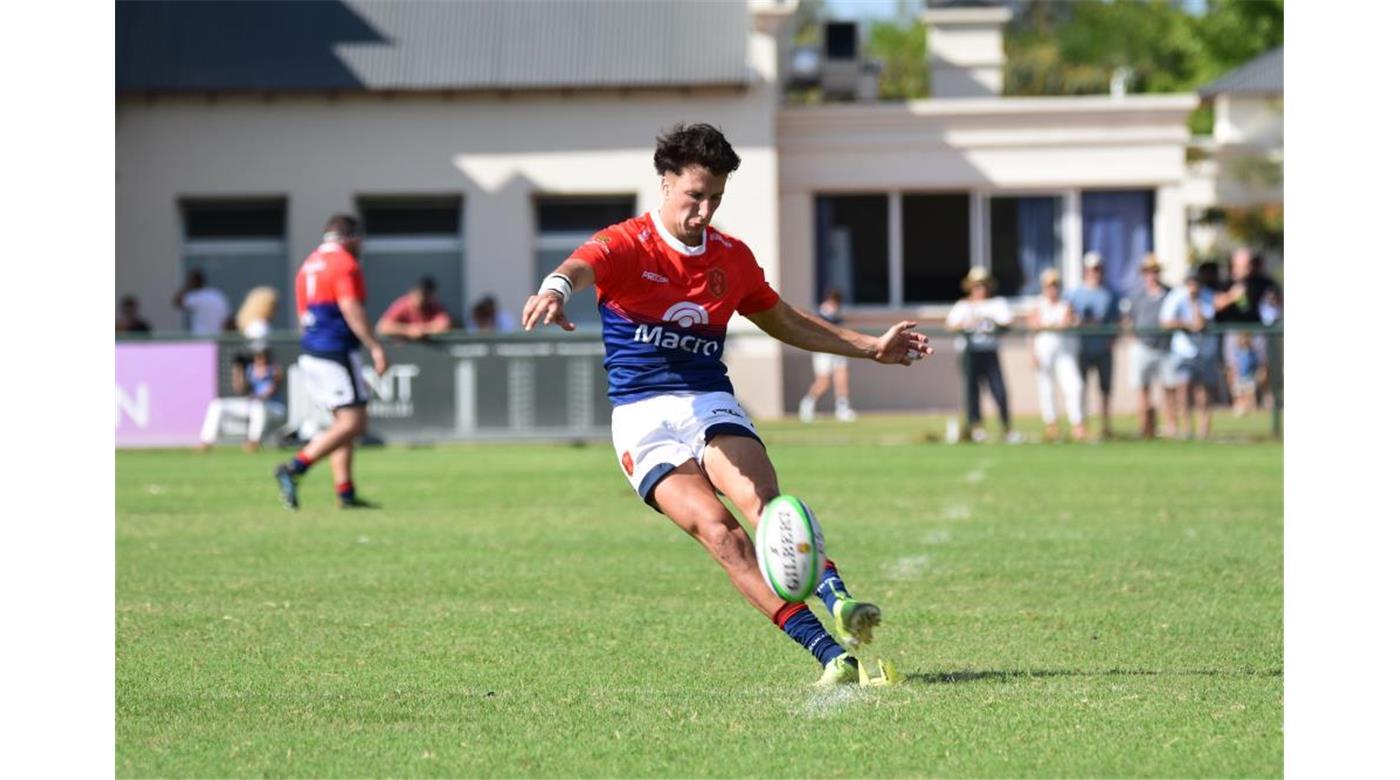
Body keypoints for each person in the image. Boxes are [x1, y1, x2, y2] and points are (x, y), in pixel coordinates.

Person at [520, 123, 931, 686]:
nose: (704, 210)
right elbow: (578, 266)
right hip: (641, 419)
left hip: (708, 399)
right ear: (665, 183)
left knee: (762, 504)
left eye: (715, 198)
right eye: (695, 195)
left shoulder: (731, 258)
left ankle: (840, 601)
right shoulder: (625, 243)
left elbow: (782, 319)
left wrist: (870, 349)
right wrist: (554, 290)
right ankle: (831, 656)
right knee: (720, 534)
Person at [274, 215, 389, 510]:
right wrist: (375, 346)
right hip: (336, 351)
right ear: (350, 237)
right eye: (359, 240)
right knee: (354, 422)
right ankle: (295, 467)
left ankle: (346, 492)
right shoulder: (345, 264)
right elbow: (350, 306)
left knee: (343, 423)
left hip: (313, 351)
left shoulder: (308, 265)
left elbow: (302, 317)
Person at [946, 267, 1021, 444]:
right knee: (972, 392)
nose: (980, 289)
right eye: (977, 285)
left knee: (999, 390)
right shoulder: (963, 306)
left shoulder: (997, 304)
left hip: (989, 351)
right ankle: (976, 427)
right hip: (970, 352)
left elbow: (1008, 322)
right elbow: (950, 325)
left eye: (983, 285)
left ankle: (1006, 428)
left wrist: (993, 323)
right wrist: (967, 324)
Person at [1213, 248, 1281, 412]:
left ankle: (1262, 398)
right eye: (1243, 264)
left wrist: (1274, 301)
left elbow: (1278, 301)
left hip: (1257, 329)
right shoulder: (1226, 282)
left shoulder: (1263, 282)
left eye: (1248, 263)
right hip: (1234, 330)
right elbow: (1216, 304)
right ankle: (1239, 401)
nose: (1247, 267)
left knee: (1263, 365)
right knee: (1233, 367)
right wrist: (1232, 296)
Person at [1121, 254, 1180, 438]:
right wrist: (1132, 337)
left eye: (1154, 271)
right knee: (1143, 390)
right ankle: (1145, 427)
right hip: (1144, 347)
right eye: (1148, 271)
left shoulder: (1171, 294)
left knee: (1169, 389)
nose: (1151, 275)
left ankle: (1171, 426)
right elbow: (1127, 320)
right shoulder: (1137, 296)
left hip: (1165, 348)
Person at [1160, 267, 1219, 439]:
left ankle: (1204, 429)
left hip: (1205, 350)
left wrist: (1195, 304)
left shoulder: (1207, 296)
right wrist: (1185, 324)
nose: (1193, 286)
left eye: (1196, 282)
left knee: (1204, 392)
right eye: (1190, 282)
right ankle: (1186, 428)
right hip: (1184, 351)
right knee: (1183, 388)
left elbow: (1202, 322)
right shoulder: (1176, 296)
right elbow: (1166, 321)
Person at [1028, 269, 1085, 441]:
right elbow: (1033, 326)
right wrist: (1032, 354)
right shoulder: (1038, 304)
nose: (1053, 289)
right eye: (1049, 286)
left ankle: (1077, 424)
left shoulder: (1066, 304)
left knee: (1074, 385)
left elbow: (1067, 322)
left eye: (1055, 285)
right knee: (1046, 387)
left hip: (1064, 351)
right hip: (1044, 350)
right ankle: (1051, 424)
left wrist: (1054, 324)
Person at [1066, 253, 1117, 438]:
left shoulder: (1110, 294)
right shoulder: (1074, 294)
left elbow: (1115, 320)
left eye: (1098, 269)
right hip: (1082, 349)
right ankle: (1082, 425)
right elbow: (1067, 315)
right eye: (1092, 269)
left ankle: (1105, 425)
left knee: (1105, 389)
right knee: (1081, 388)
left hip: (1103, 349)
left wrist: (1112, 339)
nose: (1095, 273)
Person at [198, 346, 285, 452]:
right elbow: (240, 389)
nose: (259, 359)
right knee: (217, 404)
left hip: (274, 408)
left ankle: (254, 441)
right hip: (253, 405)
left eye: (262, 356)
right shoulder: (250, 369)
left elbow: (270, 391)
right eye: (257, 356)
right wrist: (239, 369)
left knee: (258, 406)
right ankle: (206, 441)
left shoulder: (275, 370)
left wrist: (257, 396)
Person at [797, 289, 857, 423]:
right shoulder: (820, 314)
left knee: (842, 377)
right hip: (823, 351)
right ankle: (807, 406)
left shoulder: (837, 315)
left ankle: (842, 409)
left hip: (838, 349)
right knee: (823, 382)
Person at [376, 276, 453, 341]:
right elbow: (382, 326)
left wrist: (422, 330)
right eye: (418, 294)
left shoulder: (434, 305)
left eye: (425, 295)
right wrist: (409, 330)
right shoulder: (403, 304)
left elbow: (445, 325)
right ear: (412, 292)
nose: (420, 299)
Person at [172, 269, 231, 336]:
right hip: (218, 339)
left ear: (193, 282)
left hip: (201, 340)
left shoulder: (197, 297)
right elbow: (227, 320)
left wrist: (187, 286)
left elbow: (177, 302)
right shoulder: (218, 295)